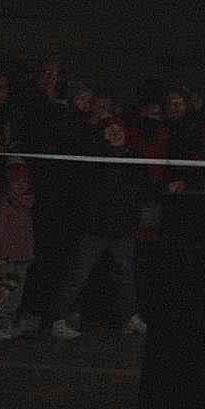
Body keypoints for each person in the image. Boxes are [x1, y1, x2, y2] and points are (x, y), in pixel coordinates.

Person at [46, 117, 152, 338]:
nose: (115, 132)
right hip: (96, 228)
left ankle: (129, 317)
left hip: (122, 229)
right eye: (109, 129)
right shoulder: (95, 158)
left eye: (118, 128)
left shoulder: (135, 157)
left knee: (125, 276)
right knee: (78, 275)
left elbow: (142, 188)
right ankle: (56, 319)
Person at [0, 159, 39, 339]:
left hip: (22, 256)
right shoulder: (4, 204)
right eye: (16, 181)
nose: (21, 185)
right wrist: (0, 256)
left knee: (14, 296)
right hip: (7, 258)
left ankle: (5, 325)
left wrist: (29, 252)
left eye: (24, 182)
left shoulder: (25, 204)